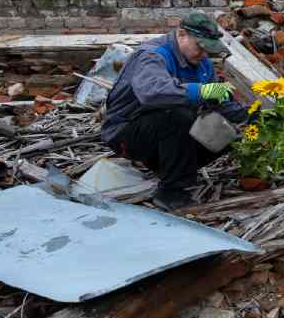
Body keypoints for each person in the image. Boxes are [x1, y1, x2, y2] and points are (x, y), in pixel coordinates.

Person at [101, 12, 248, 211]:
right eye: (200, 47)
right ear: (181, 34)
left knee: (225, 134)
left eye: (207, 49)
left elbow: (218, 103)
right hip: (126, 133)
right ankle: (171, 192)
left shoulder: (202, 64)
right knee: (177, 115)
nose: (203, 54)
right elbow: (152, 93)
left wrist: (249, 115)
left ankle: (169, 167)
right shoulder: (152, 56)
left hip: (162, 132)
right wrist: (201, 91)